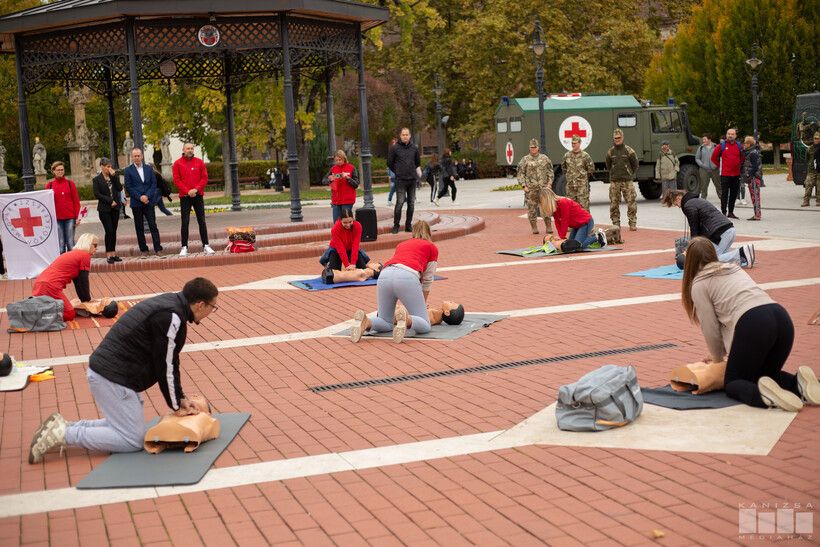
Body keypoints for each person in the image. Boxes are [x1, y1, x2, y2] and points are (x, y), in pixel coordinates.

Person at [28, 278, 220, 463]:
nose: (213, 311)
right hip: (112, 377)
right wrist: (177, 404)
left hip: (111, 373)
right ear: (200, 304)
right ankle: (63, 434)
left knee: (124, 427)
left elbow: (171, 359)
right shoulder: (171, 316)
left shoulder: (171, 305)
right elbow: (166, 364)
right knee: (132, 440)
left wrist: (179, 398)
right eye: (214, 307)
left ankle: (64, 427)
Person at [680, 237, 819, 411]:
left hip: (754, 322)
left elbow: (710, 328)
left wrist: (717, 359)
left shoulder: (699, 283)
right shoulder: (733, 269)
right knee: (763, 375)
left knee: (733, 382)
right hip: (781, 318)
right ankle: (800, 382)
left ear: (690, 261)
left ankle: (766, 397)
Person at [350, 220, 438, 343]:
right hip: (407, 276)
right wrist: (422, 304)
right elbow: (428, 280)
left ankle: (366, 322)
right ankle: (406, 320)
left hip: (384, 275)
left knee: (386, 321)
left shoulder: (402, 244)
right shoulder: (432, 247)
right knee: (424, 324)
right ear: (429, 233)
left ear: (413, 232)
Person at [662, 190, 755, 268]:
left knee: (708, 261)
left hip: (721, 234)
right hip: (728, 230)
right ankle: (743, 256)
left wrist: (689, 250)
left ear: (678, 198)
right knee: (720, 259)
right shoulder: (697, 200)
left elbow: (695, 230)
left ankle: (742, 252)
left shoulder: (688, 205)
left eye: (676, 204)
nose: (678, 207)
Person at [31, 233, 98, 321]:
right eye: (95, 245)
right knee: (69, 314)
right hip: (50, 286)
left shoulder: (74, 254)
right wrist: (88, 300)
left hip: (40, 283)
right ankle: (38, 316)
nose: (96, 248)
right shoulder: (85, 255)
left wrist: (85, 300)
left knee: (63, 308)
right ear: (88, 244)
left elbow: (78, 282)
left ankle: (37, 312)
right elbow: (83, 280)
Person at [173, 143, 214, 256]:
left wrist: (196, 189)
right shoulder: (177, 163)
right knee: (185, 222)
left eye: (191, 148)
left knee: (202, 221)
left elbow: (204, 178)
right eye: (188, 148)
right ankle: (184, 247)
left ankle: (206, 245)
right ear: (183, 150)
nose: (190, 150)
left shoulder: (199, 162)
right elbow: (177, 180)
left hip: (198, 195)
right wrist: (187, 191)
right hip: (185, 197)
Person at [124, 147, 163, 256]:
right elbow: (128, 186)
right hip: (136, 203)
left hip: (149, 201)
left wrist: (147, 196)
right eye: (135, 156)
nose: (137, 158)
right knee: (139, 227)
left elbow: (153, 184)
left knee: (153, 225)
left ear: (142, 156)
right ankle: (144, 250)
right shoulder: (128, 170)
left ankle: (158, 248)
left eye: (138, 155)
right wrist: (140, 197)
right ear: (132, 157)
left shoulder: (148, 168)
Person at [539, 188, 606, 249]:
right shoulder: (554, 207)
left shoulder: (563, 202)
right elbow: (557, 222)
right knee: (570, 245)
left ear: (547, 199)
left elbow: (565, 221)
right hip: (576, 226)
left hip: (585, 222)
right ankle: (589, 237)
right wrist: (562, 237)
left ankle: (597, 236)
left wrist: (562, 237)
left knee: (578, 246)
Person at [319, 209, 373, 278]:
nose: (348, 225)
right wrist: (347, 265)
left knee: (363, 269)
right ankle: (329, 264)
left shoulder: (358, 226)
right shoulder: (335, 229)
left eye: (350, 222)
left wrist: (353, 263)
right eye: (345, 222)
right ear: (340, 220)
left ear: (353, 219)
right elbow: (340, 249)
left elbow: (355, 245)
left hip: (351, 249)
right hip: (336, 250)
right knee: (333, 274)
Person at [387, 128, 421, 234]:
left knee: (411, 204)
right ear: (400, 136)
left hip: (412, 179)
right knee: (400, 203)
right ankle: (396, 226)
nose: (405, 136)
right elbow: (389, 163)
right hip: (400, 179)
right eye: (403, 135)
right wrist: (397, 171)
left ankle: (408, 225)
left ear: (410, 136)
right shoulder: (394, 148)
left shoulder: (414, 148)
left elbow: (417, 162)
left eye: (407, 134)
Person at [517, 138, 554, 234]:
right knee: (532, 209)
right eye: (531, 147)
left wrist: (549, 183)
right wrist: (523, 186)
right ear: (529, 148)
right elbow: (520, 173)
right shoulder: (525, 160)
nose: (533, 149)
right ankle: (534, 227)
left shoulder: (545, 158)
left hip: (544, 188)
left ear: (538, 148)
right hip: (531, 189)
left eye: (535, 147)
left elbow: (550, 172)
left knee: (546, 208)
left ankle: (548, 226)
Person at [606, 129, 639, 231]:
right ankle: (616, 223)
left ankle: (632, 223)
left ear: (622, 138)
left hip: (627, 181)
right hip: (615, 181)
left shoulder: (629, 151)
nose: (617, 140)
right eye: (615, 138)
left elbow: (635, 165)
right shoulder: (610, 152)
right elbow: (608, 165)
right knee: (614, 204)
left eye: (619, 138)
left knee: (631, 202)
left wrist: (629, 173)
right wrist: (614, 174)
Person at [92, 158, 123, 264]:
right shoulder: (97, 179)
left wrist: (114, 177)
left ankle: (113, 254)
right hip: (104, 209)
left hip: (115, 209)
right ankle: (108, 254)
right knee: (109, 231)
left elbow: (119, 188)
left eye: (110, 166)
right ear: (102, 166)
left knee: (113, 231)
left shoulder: (114, 177)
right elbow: (97, 194)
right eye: (107, 166)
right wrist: (110, 201)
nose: (109, 168)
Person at [46, 161, 81, 254]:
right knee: (60, 245)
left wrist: (77, 217)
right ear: (53, 171)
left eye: (62, 170)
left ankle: (72, 266)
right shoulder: (50, 185)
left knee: (70, 244)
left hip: (70, 218)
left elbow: (76, 202)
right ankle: (63, 267)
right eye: (58, 170)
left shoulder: (70, 184)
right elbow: (47, 204)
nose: (60, 172)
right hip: (57, 219)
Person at [710, 128, 744, 218]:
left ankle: (731, 212)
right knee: (724, 195)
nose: (730, 135)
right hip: (725, 175)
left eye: (732, 134)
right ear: (726, 135)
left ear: (735, 136)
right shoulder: (721, 146)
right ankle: (723, 213)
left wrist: (738, 166)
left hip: (736, 175)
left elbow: (742, 159)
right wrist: (721, 166)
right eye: (729, 134)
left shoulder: (739, 146)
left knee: (733, 195)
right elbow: (713, 158)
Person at [322, 149, 359, 223]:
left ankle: (348, 234)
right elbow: (323, 181)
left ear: (344, 159)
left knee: (346, 221)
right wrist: (331, 180)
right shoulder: (333, 169)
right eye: (336, 160)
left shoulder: (351, 168)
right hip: (336, 200)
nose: (338, 162)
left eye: (340, 160)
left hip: (347, 200)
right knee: (336, 222)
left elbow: (356, 184)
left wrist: (348, 178)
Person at [561, 135, 594, 211]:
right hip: (570, 188)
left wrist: (582, 178)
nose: (573, 145)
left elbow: (591, 169)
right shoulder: (567, 156)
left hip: (581, 188)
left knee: (584, 209)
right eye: (572, 143)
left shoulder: (585, 156)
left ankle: (586, 223)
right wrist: (570, 176)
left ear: (579, 143)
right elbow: (564, 168)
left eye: (575, 143)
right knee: (571, 208)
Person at [741, 136, 763, 221]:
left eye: (745, 143)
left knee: (755, 196)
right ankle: (757, 214)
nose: (744, 145)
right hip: (753, 177)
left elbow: (755, 167)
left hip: (754, 177)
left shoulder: (753, 153)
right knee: (754, 196)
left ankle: (757, 215)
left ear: (749, 144)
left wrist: (748, 175)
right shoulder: (751, 152)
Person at [695, 134, 720, 199]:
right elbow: (697, 158)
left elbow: (721, 157)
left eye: (705, 139)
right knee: (704, 186)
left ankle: (723, 199)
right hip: (704, 170)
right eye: (703, 139)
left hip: (715, 169)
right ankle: (703, 199)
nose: (703, 141)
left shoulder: (716, 146)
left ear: (709, 139)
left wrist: (717, 165)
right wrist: (702, 165)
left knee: (718, 185)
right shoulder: (701, 148)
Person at [801, 131, 820, 207]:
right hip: (811, 170)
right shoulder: (810, 149)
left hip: (819, 171)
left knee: (819, 187)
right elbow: (807, 159)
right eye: (815, 138)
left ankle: (818, 201)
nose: (816, 140)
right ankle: (806, 201)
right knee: (808, 185)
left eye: (818, 138)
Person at [386, 137, 398, 206]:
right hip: (393, 175)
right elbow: (389, 165)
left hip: (398, 174)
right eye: (393, 142)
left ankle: (403, 199)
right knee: (393, 188)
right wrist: (389, 175)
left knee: (400, 187)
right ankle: (389, 200)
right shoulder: (391, 152)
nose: (394, 144)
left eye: (395, 142)